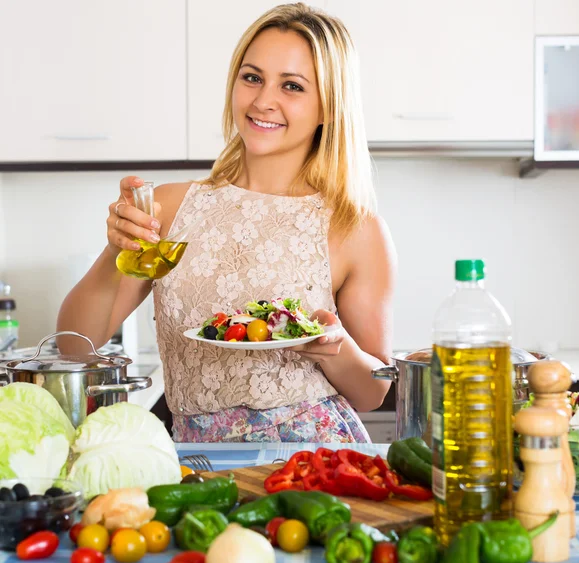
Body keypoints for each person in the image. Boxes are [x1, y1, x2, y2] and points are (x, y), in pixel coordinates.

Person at [57, 2, 397, 442]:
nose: (262, 101)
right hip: (196, 461)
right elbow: (73, 346)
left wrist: (336, 349)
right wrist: (116, 250)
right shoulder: (169, 206)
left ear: (329, 107)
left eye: (292, 86)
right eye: (252, 77)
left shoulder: (355, 227)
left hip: (315, 461)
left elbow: (374, 390)